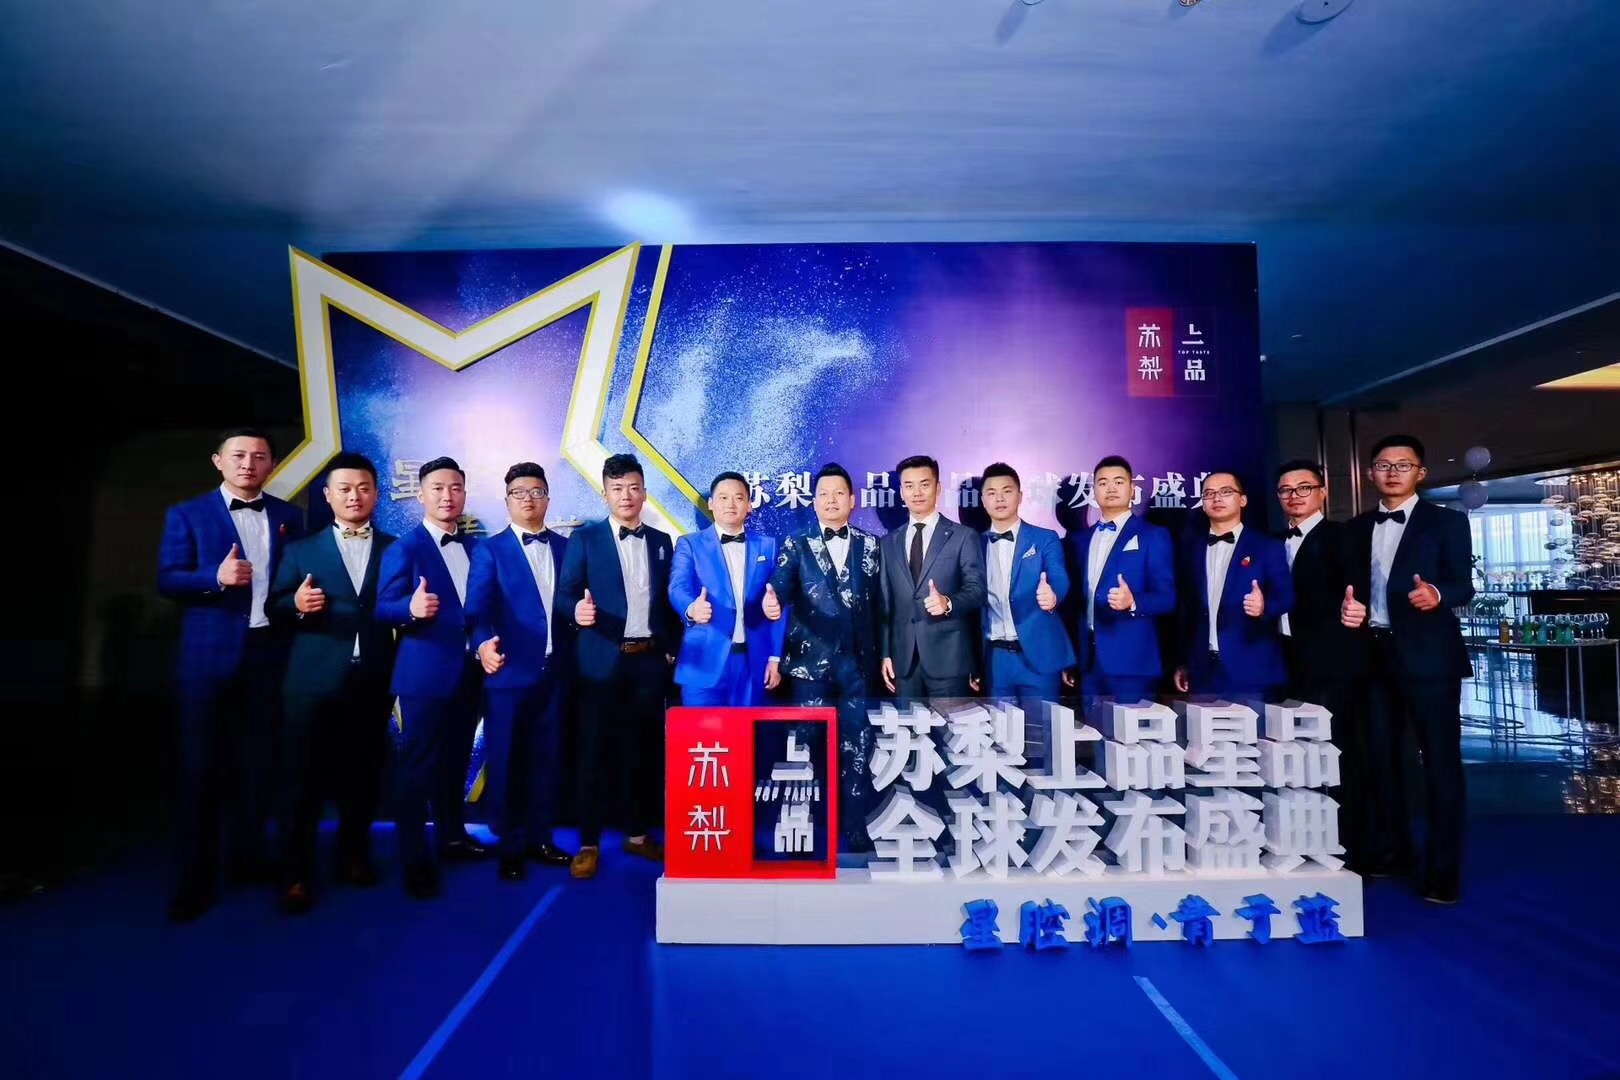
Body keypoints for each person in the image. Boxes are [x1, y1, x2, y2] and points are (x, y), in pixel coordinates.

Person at [157, 428, 304, 922]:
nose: (248, 463)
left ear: (272, 465)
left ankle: (248, 859)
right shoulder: (187, 513)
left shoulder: (289, 517)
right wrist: (213, 579)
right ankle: (193, 883)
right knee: (200, 772)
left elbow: (289, 584)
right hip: (207, 664)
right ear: (218, 461)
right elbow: (168, 578)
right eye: (238, 455)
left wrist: (297, 603)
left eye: (259, 456)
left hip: (269, 657)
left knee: (259, 768)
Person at [1341, 434, 1474, 904]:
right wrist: (1349, 611)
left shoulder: (1447, 522)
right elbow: (1350, 590)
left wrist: (1437, 594)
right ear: (1370, 473)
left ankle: (1442, 871)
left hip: (1429, 658)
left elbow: (1463, 585)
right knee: (1382, 760)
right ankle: (1395, 851)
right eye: (1383, 464)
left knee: (1440, 762)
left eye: (1403, 464)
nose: (1392, 472)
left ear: (1421, 472)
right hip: (1374, 656)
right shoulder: (1356, 528)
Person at [268, 452, 395, 912]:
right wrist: (296, 605)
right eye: (344, 488)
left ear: (376, 494)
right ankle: (296, 874)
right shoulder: (301, 550)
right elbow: (274, 606)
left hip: (373, 679)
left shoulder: (396, 548)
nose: (354, 496)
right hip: (313, 681)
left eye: (363, 488)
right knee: (301, 779)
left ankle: (354, 857)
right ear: (327, 495)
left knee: (362, 776)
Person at [555, 453, 679, 880]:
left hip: (648, 662)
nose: (626, 496)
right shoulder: (586, 538)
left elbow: (666, 603)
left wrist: (670, 648)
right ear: (605, 494)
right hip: (600, 663)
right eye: (617, 488)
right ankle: (588, 843)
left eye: (633, 487)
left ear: (644, 492)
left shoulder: (661, 541)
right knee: (593, 752)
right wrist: (576, 611)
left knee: (642, 752)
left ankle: (639, 834)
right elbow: (565, 593)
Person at [375, 457, 487, 899]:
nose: (447, 496)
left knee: (455, 764)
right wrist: (409, 609)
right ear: (420, 495)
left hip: (469, 674)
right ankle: (414, 858)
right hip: (424, 677)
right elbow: (383, 607)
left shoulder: (476, 548)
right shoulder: (405, 548)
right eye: (438, 488)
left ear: (464, 494)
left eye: (455, 488)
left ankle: (453, 838)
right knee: (415, 769)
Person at [766, 463, 885, 852]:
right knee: (803, 746)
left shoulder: (872, 545)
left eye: (838, 494)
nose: (831, 500)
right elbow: (780, 587)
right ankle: (801, 827)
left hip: (858, 666)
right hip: (809, 668)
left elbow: (883, 606)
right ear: (813, 501)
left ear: (852, 500)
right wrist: (772, 601)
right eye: (823, 494)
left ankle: (855, 826)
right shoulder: (796, 543)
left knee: (858, 747)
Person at [466, 463, 574, 883]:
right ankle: (510, 846)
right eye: (519, 493)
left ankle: (541, 838)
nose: (529, 499)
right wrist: (483, 644)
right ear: (507, 499)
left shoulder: (567, 547)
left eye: (537, 491)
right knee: (508, 760)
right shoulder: (490, 550)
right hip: (508, 673)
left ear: (548, 497)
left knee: (547, 759)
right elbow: (477, 610)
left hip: (557, 672)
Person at [1274, 459, 1367, 866]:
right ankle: (1300, 843)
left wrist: (1358, 609)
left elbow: (1360, 589)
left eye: (1304, 488)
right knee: (1294, 757)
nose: (1294, 496)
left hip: (1330, 663)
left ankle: (1348, 849)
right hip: (1285, 662)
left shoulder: (1342, 537)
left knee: (1337, 755)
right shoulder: (1273, 542)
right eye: (1286, 490)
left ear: (1323, 492)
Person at [1173, 471, 1293, 704]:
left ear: (1243, 499)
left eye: (1226, 492)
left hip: (1251, 668)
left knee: (1253, 728)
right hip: (1202, 668)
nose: (1216, 498)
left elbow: (1286, 595)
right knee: (1202, 728)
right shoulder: (1190, 549)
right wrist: (1184, 661)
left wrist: (1264, 607)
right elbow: (1186, 610)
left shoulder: (1266, 546)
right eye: (1209, 494)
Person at [670, 472, 785, 706]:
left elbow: (779, 601)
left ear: (749, 505)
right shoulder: (689, 544)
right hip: (703, 660)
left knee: (747, 729)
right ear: (711, 504)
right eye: (723, 498)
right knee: (703, 729)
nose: (731, 504)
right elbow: (677, 587)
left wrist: (775, 657)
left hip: (754, 661)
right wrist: (691, 608)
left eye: (738, 498)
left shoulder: (768, 546)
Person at [1068, 455, 1175, 704]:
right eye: (1103, 483)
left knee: (1131, 730)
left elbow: (1168, 597)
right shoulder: (1079, 540)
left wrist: (1133, 601)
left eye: (1118, 482)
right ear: (1094, 491)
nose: (1111, 488)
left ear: (1132, 489)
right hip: (1089, 662)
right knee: (1092, 728)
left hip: (1132, 663)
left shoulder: (1153, 535)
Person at [879, 454, 986, 702]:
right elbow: (886, 603)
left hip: (950, 658)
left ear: (938, 488)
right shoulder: (888, 543)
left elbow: (977, 590)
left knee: (951, 727)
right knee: (909, 727)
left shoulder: (963, 536)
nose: (917, 492)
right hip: (904, 662)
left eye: (924, 484)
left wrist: (948, 603)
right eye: (909, 486)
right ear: (901, 492)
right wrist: (885, 652)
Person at [971, 462, 1074, 708]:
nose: (999, 498)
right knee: (1002, 730)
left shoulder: (1045, 538)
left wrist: (1053, 596)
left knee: (1043, 727)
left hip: (1040, 654)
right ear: (983, 500)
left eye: (1007, 491)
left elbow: (1059, 577)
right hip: (995, 659)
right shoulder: (973, 544)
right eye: (992, 493)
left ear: (1020, 496)